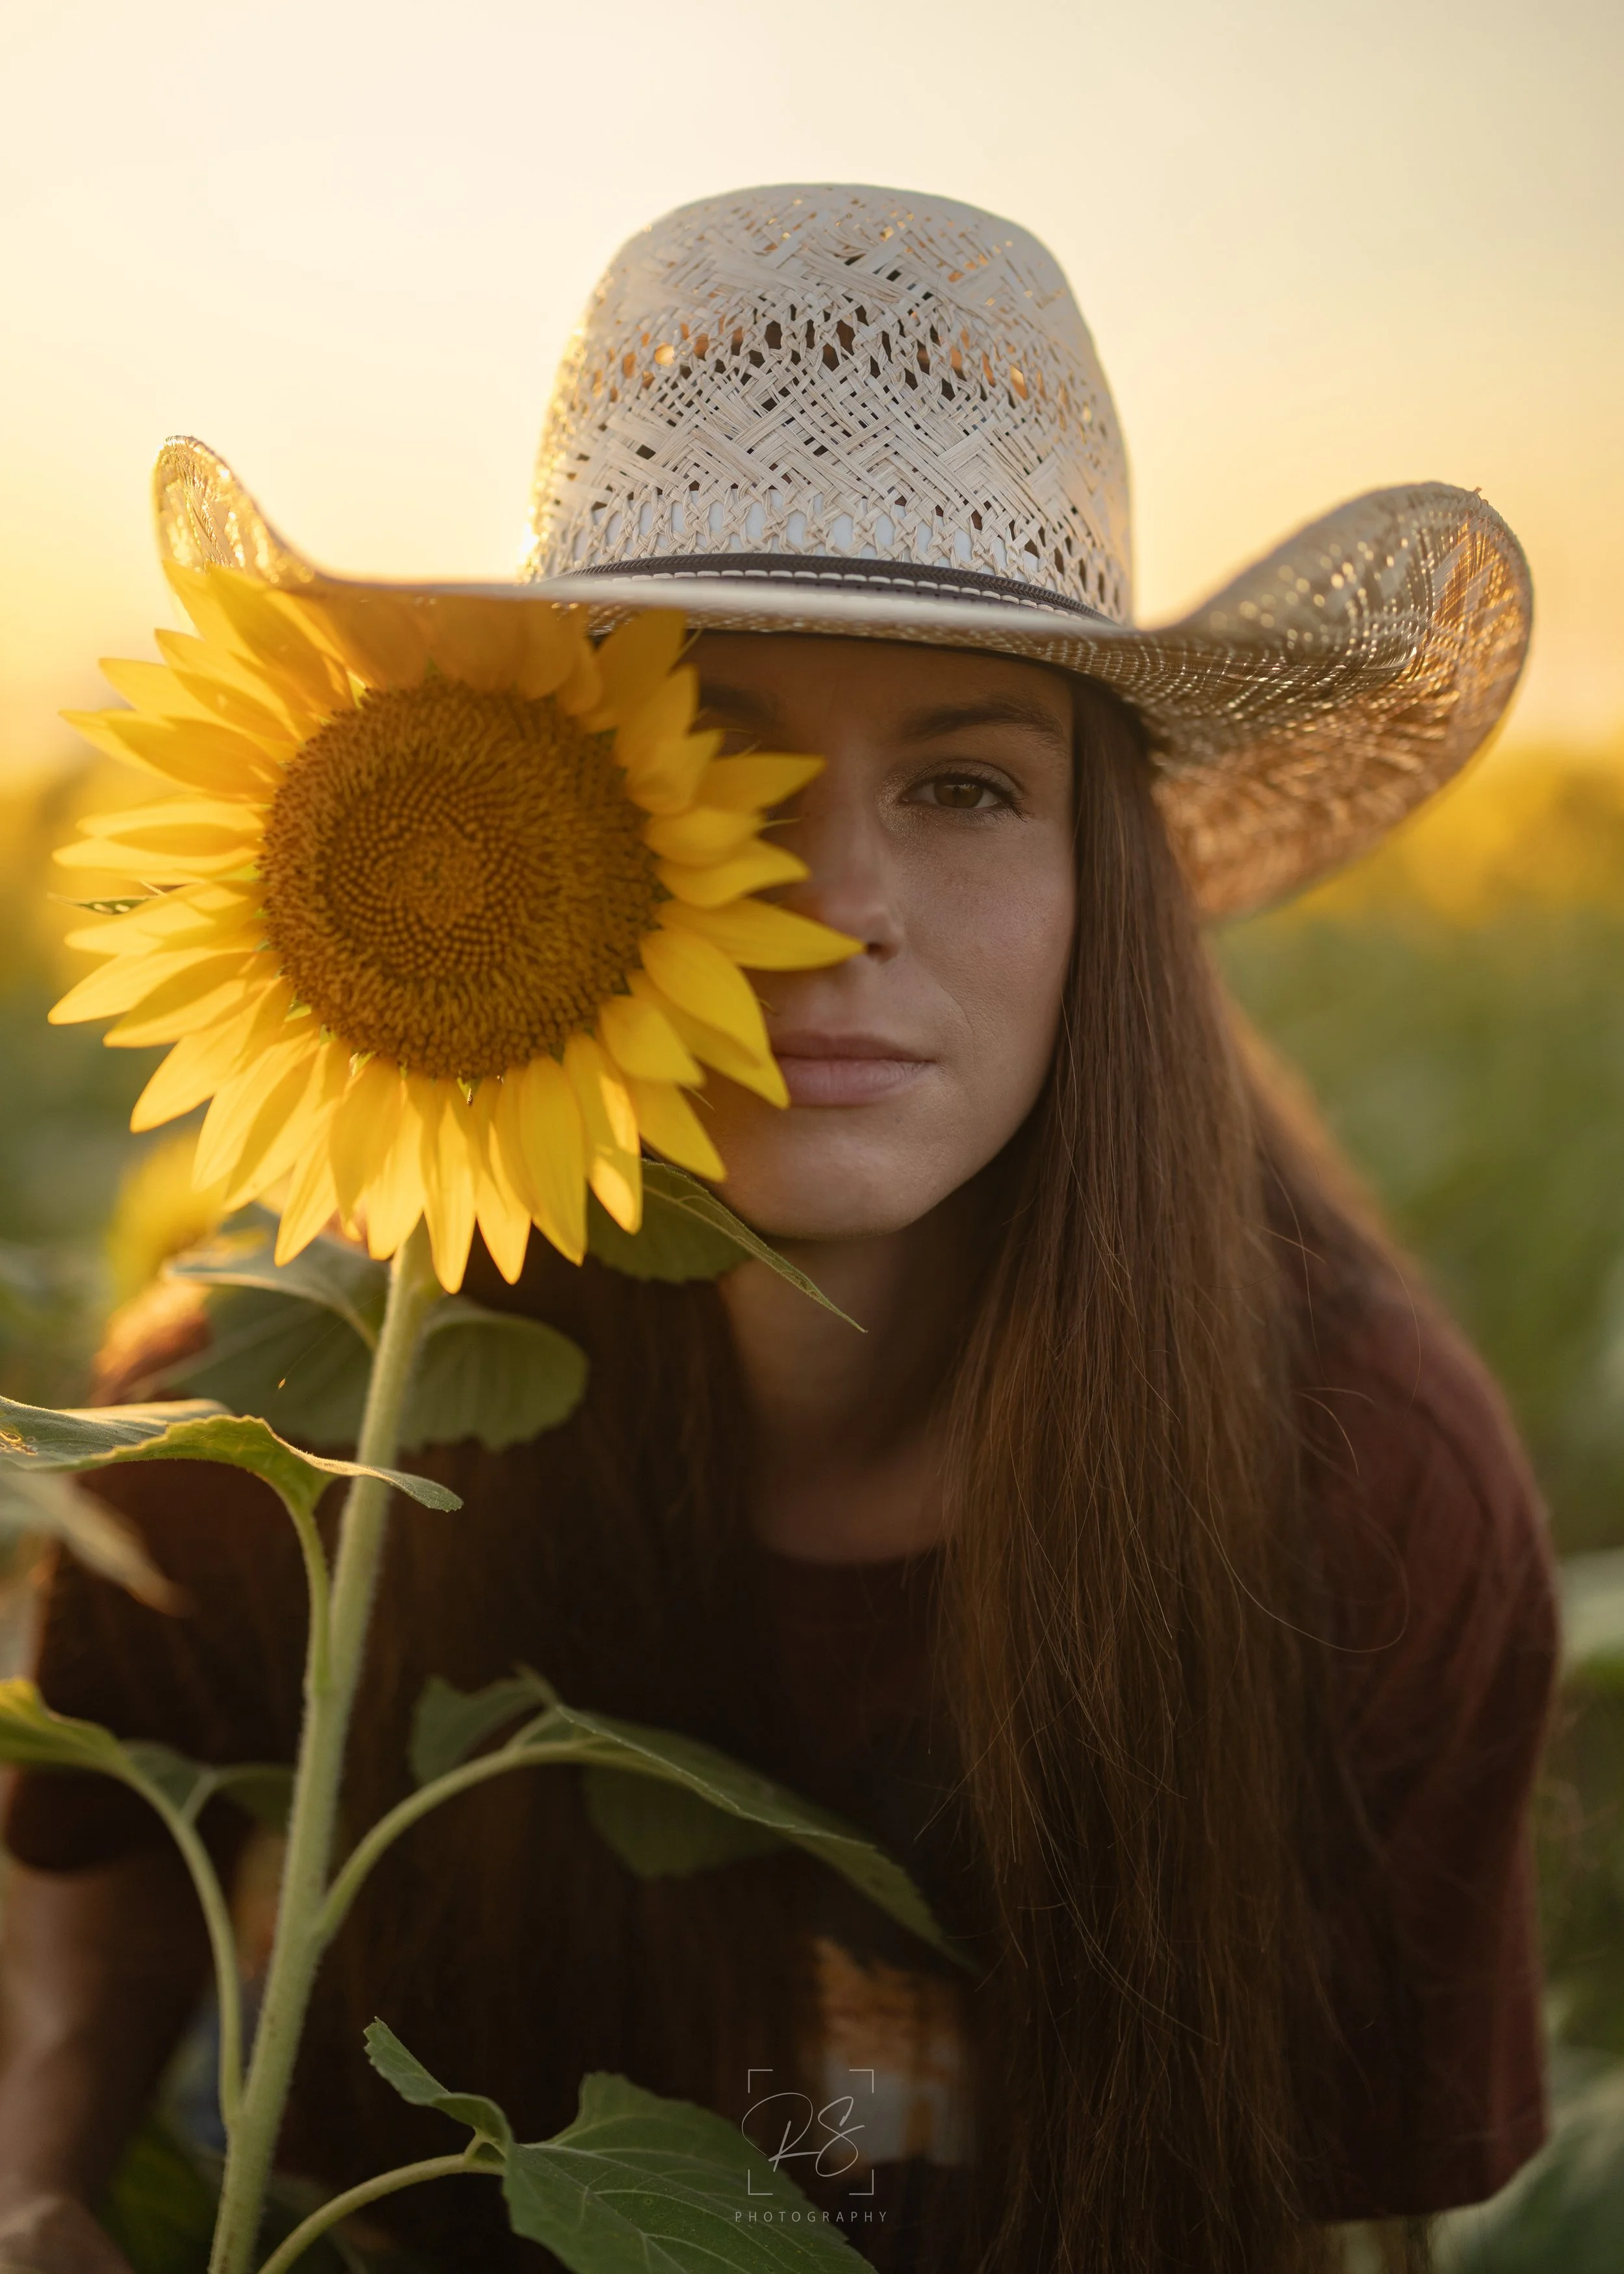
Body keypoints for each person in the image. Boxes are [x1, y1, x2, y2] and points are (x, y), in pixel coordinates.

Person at [0, 186, 1556, 2274]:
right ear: (541, 810)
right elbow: (68, 1996)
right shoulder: (287, 1439)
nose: (836, 901)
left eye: (966, 786)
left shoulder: (1356, 1483)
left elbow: (1320, 2228)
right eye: (723, 749)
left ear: (1114, 880)